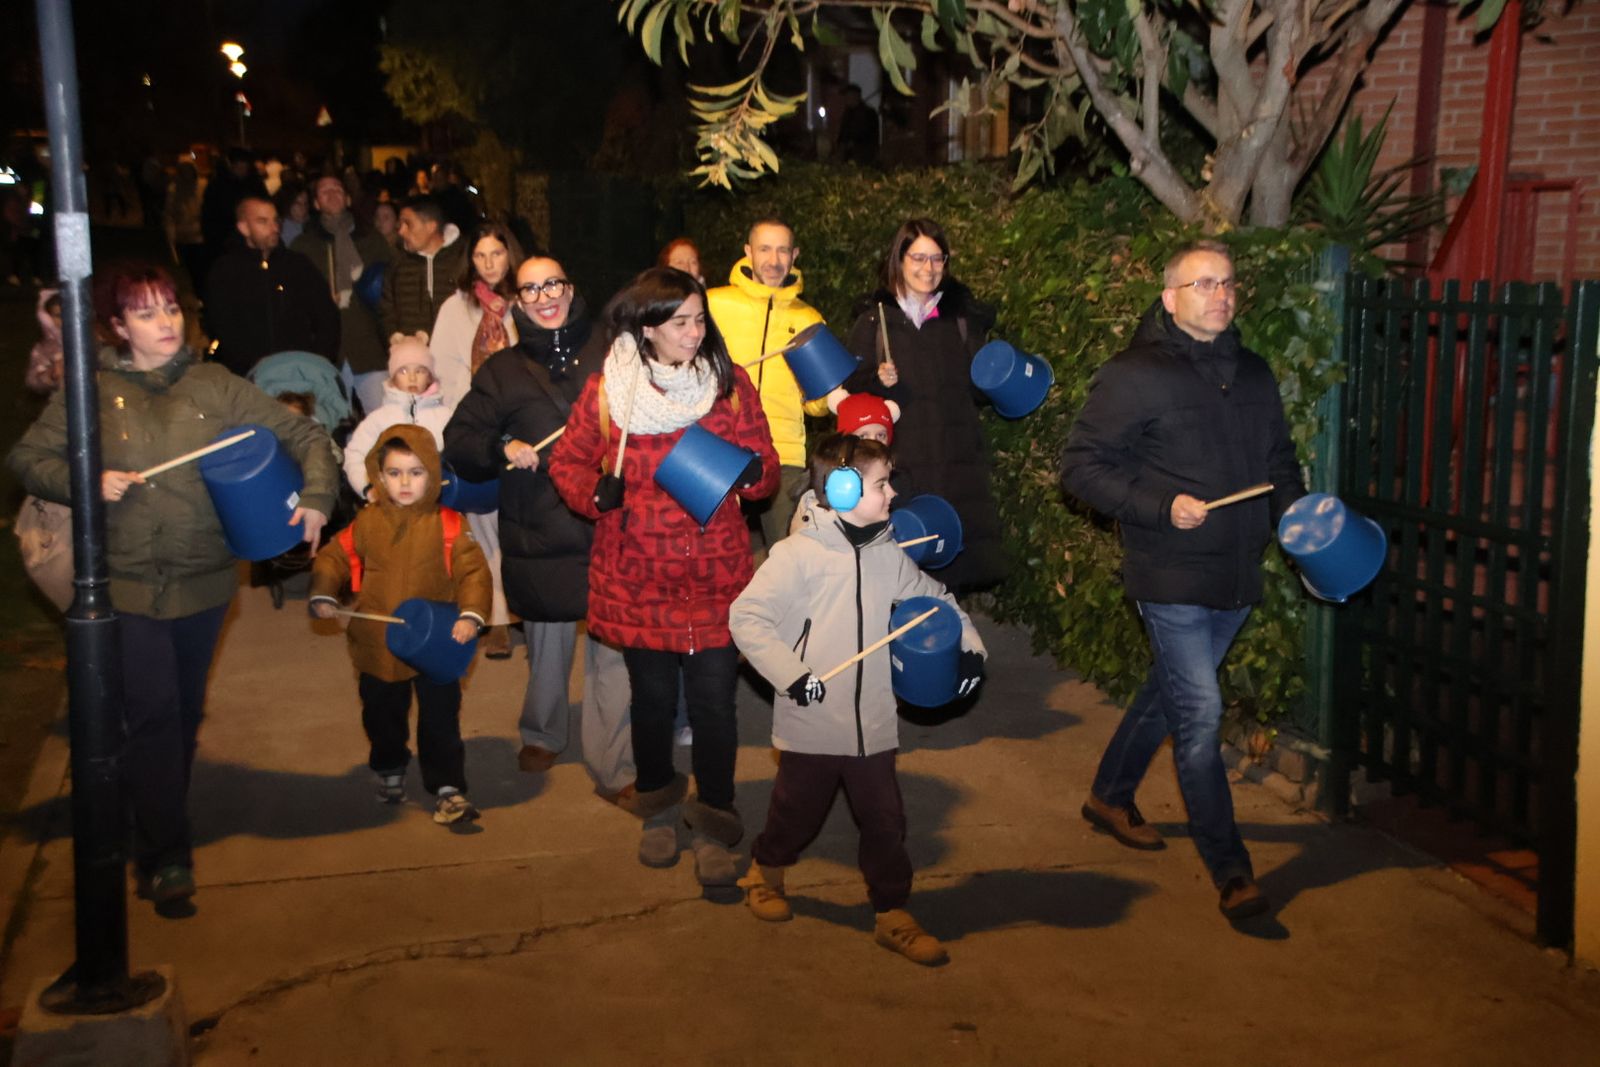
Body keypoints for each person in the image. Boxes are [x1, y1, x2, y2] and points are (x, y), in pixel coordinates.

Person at [7, 262, 337, 912]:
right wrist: (86, 480)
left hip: (204, 583)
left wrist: (317, 496)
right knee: (153, 711)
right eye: (146, 312)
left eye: (171, 308)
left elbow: (304, 434)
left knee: (181, 714)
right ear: (117, 325)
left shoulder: (215, 384)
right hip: (126, 586)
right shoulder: (91, 390)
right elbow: (26, 458)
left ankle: (153, 812)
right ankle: (166, 855)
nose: (166, 322)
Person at [1060, 240, 1306, 922]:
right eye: (1203, 284)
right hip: (1167, 570)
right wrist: (1160, 505)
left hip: (1236, 573)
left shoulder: (1253, 373)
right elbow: (1080, 468)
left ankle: (1109, 794)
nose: (1220, 294)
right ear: (1170, 298)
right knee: (1199, 715)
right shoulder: (1134, 374)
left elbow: (1280, 464)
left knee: (1169, 693)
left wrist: (1298, 522)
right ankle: (1232, 871)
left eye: (1227, 283)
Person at [548, 267, 780, 885]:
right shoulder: (611, 390)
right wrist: (594, 495)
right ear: (647, 327)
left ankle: (715, 818)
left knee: (714, 705)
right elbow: (567, 462)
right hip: (639, 578)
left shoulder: (729, 385)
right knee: (650, 702)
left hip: (715, 575)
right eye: (680, 322)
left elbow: (766, 465)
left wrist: (753, 475)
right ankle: (657, 806)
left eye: (700, 320)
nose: (695, 332)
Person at [729, 433, 985, 964]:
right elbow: (746, 618)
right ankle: (766, 869)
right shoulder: (797, 556)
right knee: (796, 813)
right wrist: (792, 676)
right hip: (814, 719)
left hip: (874, 720)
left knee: (886, 820)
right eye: (882, 484)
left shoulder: (888, 554)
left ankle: (892, 911)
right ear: (843, 490)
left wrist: (968, 650)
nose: (893, 494)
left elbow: (937, 601)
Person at [443, 256, 633, 795]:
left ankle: (613, 758)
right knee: (548, 639)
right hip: (541, 525)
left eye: (552, 284)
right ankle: (543, 731)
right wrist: (502, 445)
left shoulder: (614, 352)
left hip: (609, 516)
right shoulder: (502, 370)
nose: (544, 297)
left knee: (613, 646)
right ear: (518, 302)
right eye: (530, 290)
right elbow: (459, 440)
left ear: (570, 289)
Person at [310, 424, 491, 825]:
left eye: (415, 472)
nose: (405, 482)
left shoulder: (449, 523)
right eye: (394, 473)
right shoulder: (367, 522)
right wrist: (324, 592)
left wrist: (471, 614)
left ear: (432, 473)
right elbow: (333, 557)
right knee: (382, 713)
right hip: (379, 640)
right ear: (379, 475)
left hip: (437, 639)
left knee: (440, 718)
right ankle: (390, 765)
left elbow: (473, 572)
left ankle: (447, 787)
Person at [843, 217, 1007, 594]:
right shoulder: (874, 320)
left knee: (952, 568)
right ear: (899, 260)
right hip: (902, 465)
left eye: (937, 258)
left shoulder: (960, 319)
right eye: (918, 257)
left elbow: (979, 390)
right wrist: (875, 380)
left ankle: (949, 629)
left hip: (956, 464)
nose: (928, 268)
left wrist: (1000, 377)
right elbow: (850, 391)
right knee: (902, 571)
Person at [429, 222, 524, 658]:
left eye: (497, 254)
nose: (489, 264)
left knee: (520, 522)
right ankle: (497, 617)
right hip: (476, 421)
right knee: (484, 522)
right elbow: (442, 366)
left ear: (510, 256)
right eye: (480, 256)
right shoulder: (456, 307)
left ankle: (526, 608)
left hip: (521, 423)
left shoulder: (525, 301)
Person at [705, 218, 823, 552]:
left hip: (783, 454)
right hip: (717, 450)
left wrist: (830, 390)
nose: (774, 260)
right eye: (765, 249)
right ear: (748, 252)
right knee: (716, 557)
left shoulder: (808, 319)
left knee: (788, 558)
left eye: (783, 250)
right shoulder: (713, 304)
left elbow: (817, 405)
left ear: (794, 255)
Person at [291, 174, 393, 415]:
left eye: (337, 189)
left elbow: (391, 290)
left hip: (369, 346)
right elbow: (294, 298)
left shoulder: (371, 240)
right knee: (333, 420)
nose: (332, 194)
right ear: (316, 203)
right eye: (324, 191)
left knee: (385, 417)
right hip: (327, 350)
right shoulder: (304, 246)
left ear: (347, 198)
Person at [204, 196, 340, 377]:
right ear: (244, 228)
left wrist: (318, 362)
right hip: (251, 378)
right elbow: (222, 327)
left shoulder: (297, 265)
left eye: (276, 220)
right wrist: (249, 370)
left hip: (301, 373)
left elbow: (326, 317)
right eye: (263, 221)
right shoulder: (226, 272)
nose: (274, 227)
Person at [342, 334, 451, 499]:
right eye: (403, 371)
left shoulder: (446, 417)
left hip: (437, 503)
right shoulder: (379, 419)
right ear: (393, 377)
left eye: (420, 370)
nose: (412, 378)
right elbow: (355, 454)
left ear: (429, 376)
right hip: (390, 504)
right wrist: (368, 487)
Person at [381, 194, 466, 340]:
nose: (401, 231)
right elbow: (387, 310)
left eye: (408, 224)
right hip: (412, 351)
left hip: (456, 349)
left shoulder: (462, 259)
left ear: (431, 226)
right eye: (400, 225)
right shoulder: (398, 264)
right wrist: (394, 337)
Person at [163, 160, 206, 292]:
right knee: (193, 269)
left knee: (204, 268)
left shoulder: (203, 185)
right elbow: (169, 214)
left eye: (189, 170)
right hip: (185, 236)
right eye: (183, 170)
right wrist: (171, 237)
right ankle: (199, 293)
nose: (187, 173)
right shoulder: (174, 189)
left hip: (202, 235)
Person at [24, 288, 63, 394]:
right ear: (47, 318)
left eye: (70, 314)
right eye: (59, 316)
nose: (65, 319)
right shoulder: (46, 348)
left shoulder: (93, 337)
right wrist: (52, 374)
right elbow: (32, 380)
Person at [276, 181, 311, 248]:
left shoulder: (312, 223)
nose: (303, 208)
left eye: (306, 203)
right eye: (297, 203)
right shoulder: (281, 230)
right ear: (287, 204)